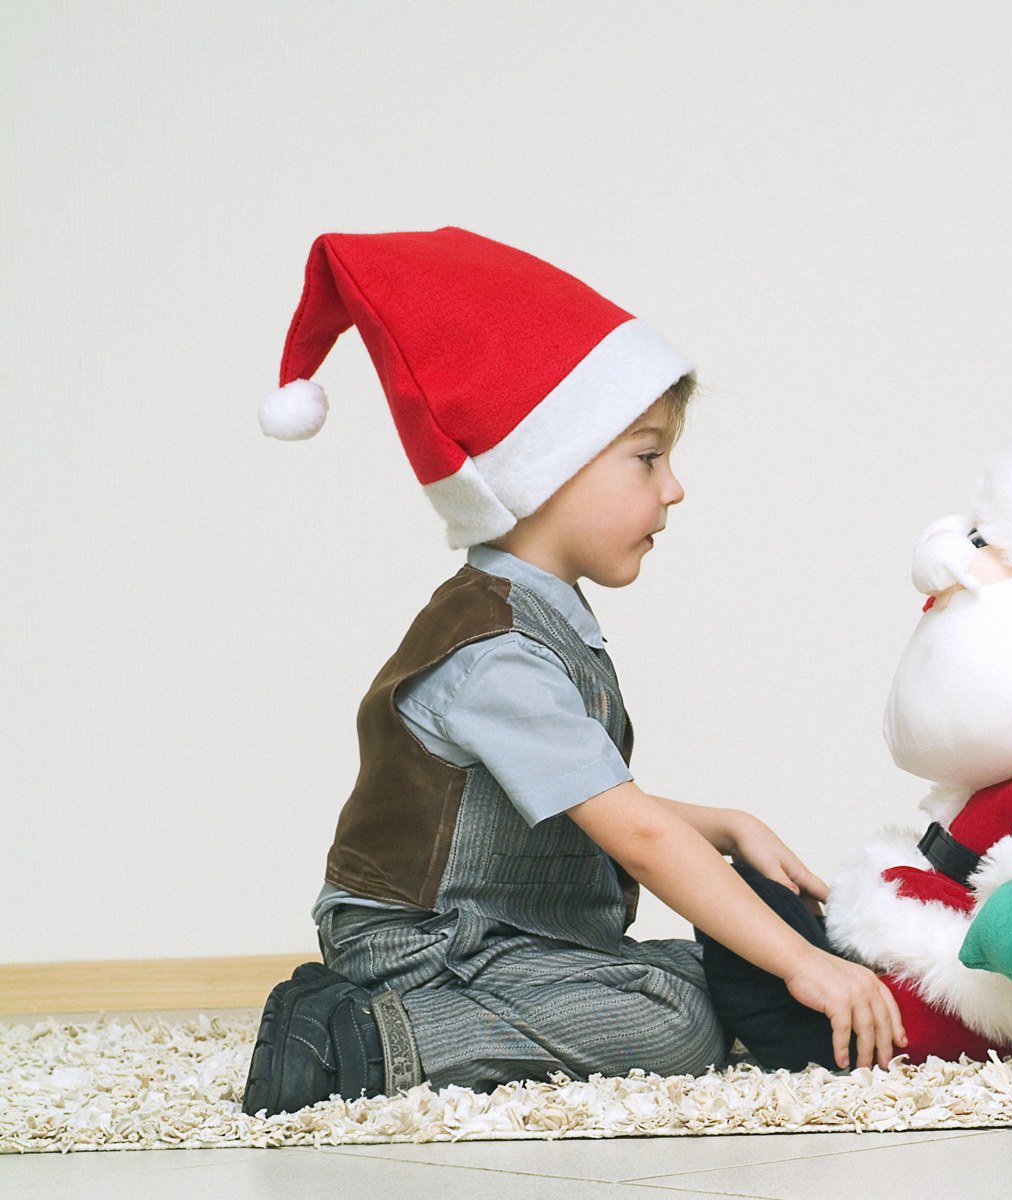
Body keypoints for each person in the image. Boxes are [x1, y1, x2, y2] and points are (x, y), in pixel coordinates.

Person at [240, 227, 904, 1116]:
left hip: (512, 930)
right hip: (430, 941)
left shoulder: (544, 619)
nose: (673, 488)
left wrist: (724, 824)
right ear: (545, 467)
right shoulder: (495, 649)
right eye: (647, 456)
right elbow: (634, 833)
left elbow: (572, 797)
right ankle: (358, 1038)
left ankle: (413, 1021)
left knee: (705, 971)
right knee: (675, 1023)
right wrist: (804, 961)